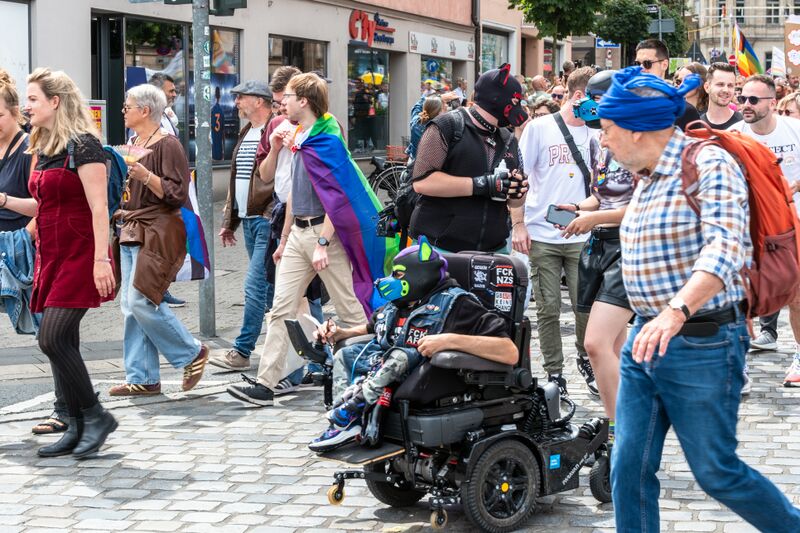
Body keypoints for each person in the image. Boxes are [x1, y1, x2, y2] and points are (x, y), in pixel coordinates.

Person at [597, 65, 800, 533]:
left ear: (636, 129)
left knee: (716, 472)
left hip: (701, 342)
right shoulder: (648, 174)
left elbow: (726, 248)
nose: (603, 141)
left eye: (607, 130)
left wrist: (675, 311)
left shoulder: (708, 164)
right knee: (628, 466)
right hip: (645, 340)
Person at [226, 72, 385, 406]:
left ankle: (374, 373)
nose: (281, 102)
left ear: (304, 101)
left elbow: (339, 199)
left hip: (324, 234)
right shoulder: (297, 137)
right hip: (298, 232)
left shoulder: (327, 140)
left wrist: (324, 243)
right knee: (281, 308)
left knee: (350, 310)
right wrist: (285, 239)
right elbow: (288, 194)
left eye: (287, 96)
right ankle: (265, 384)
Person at [308, 237, 518, 451]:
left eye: (398, 274)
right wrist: (342, 333)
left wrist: (448, 340)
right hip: (382, 368)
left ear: (420, 274)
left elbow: (509, 351)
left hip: (424, 374)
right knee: (345, 354)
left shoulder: (459, 303)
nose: (391, 280)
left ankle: (353, 408)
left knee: (398, 356)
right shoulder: (401, 303)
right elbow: (374, 327)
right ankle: (343, 423)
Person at [19, 68, 117, 458]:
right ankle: (76, 426)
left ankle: (96, 416)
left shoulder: (85, 145)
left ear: (55, 101)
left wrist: (101, 260)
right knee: (65, 339)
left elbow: (99, 208)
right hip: (52, 254)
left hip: (81, 253)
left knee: (52, 338)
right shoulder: (43, 147)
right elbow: (42, 205)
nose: (27, 106)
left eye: (33, 99)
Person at [108, 83, 208, 397]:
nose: (123, 111)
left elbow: (177, 193)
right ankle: (142, 377)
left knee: (141, 299)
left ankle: (191, 352)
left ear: (145, 110)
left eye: (127, 106)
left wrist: (146, 177)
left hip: (155, 230)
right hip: (131, 227)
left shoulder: (168, 144)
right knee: (130, 305)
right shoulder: (134, 142)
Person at [553, 69, 634, 438]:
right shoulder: (599, 143)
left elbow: (642, 207)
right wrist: (576, 208)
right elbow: (600, 196)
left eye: (594, 100)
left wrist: (593, 217)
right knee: (614, 345)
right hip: (599, 246)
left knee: (595, 343)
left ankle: (619, 428)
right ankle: (627, 420)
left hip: (629, 248)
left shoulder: (639, 142)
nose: (586, 106)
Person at [512, 66, 598, 397]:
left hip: (582, 233)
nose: (601, 107)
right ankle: (555, 373)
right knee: (547, 308)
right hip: (542, 233)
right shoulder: (540, 128)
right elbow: (520, 178)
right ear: (578, 96)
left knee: (585, 305)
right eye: (596, 100)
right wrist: (518, 224)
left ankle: (585, 357)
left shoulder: (596, 132)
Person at [0, 69, 69, 436]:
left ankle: (67, 407)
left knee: (50, 333)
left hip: (25, 248)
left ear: (14, 113)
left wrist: (21, 240)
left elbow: (43, 203)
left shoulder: (31, 148)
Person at [409, 64, 528, 253]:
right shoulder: (447, 125)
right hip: (440, 247)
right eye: (515, 101)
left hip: (494, 249)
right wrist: (482, 184)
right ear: (496, 98)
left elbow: (514, 203)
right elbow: (422, 181)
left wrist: (517, 191)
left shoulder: (508, 139)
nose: (519, 108)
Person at [729, 75, 800, 388]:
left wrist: (791, 187)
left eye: (753, 100)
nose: (746, 105)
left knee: (796, 296)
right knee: (742, 298)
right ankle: (739, 363)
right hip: (749, 228)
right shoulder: (735, 136)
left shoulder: (794, 130)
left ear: (772, 102)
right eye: (742, 98)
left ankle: (799, 355)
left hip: (790, 225)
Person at [210, 80, 276, 371]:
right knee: (271, 289)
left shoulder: (274, 129)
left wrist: (270, 214)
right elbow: (237, 181)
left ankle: (242, 350)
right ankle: (295, 347)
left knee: (254, 286)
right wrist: (230, 222)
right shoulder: (247, 131)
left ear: (259, 101)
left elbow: (281, 178)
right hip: (248, 220)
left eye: (241, 97)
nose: (236, 102)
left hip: (266, 220)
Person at [148, 73, 185, 308]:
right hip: (159, 190)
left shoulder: (167, 116)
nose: (174, 94)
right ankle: (157, 291)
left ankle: (161, 288)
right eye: (170, 90)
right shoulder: (150, 122)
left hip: (169, 189)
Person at [634, 39, 701, 130]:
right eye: (637, 63)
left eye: (647, 63)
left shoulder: (685, 111)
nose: (640, 69)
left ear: (664, 65)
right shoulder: (626, 105)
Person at [700, 63, 743, 130]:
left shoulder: (743, 124)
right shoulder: (697, 125)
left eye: (730, 85)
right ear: (707, 87)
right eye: (720, 84)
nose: (726, 90)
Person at [406, 94, 449, 160]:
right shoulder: (439, 130)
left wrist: (439, 96)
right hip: (429, 164)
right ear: (439, 112)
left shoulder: (416, 122)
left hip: (413, 161)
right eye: (444, 108)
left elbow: (417, 106)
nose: (447, 106)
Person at [149, 73, 180, 137]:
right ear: (157, 92)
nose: (175, 95)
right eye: (171, 91)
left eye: (174, 91)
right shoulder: (144, 118)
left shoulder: (164, 114)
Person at [210, 86, 225, 161]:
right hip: (219, 132)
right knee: (219, 144)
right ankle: (219, 157)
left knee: (214, 143)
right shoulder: (221, 110)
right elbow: (223, 125)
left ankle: (214, 157)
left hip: (213, 131)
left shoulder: (212, 110)